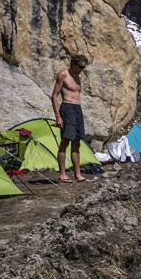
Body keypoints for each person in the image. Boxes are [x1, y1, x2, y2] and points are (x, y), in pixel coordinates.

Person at [51, 54, 90, 183]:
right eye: (80, 66)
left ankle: (77, 174)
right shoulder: (63, 74)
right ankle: (62, 174)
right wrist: (58, 116)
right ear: (73, 64)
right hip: (67, 109)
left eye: (83, 67)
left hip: (78, 109)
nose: (82, 69)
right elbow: (55, 95)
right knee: (65, 141)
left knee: (77, 143)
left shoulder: (78, 77)